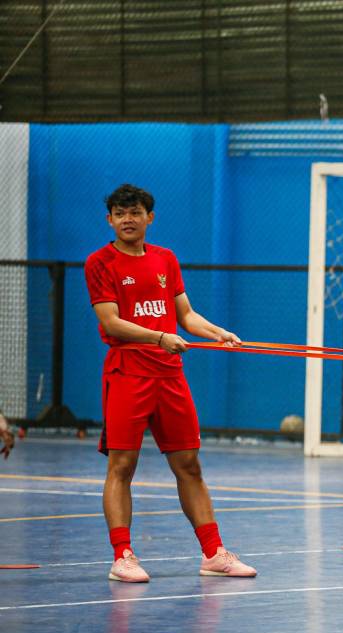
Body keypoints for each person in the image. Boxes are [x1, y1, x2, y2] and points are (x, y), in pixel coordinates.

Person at [84, 184, 256, 583]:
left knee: (189, 465)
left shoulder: (165, 259)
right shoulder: (99, 262)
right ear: (109, 219)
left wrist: (217, 332)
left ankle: (214, 553)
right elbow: (110, 322)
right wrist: (159, 337)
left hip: (169, 375)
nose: (128, 219)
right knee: (122, 465)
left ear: (150, 218)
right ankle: (122, 555)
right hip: (128, 373)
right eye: (120, 213)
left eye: (136, 212)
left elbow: (185, 315)